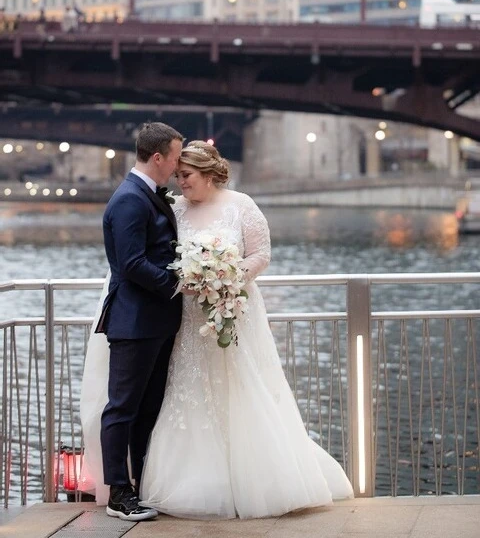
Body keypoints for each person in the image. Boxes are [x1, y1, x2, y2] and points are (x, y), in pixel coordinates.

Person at [82, 139, 353, 520]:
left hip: (230, 309)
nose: (180, 183)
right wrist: (192, 281)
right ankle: (163, 483)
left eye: (187, 175)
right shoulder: (172, 208)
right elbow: (148, 260)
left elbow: (262, 254)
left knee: (236, 389)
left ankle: (248, 479)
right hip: (183, 318)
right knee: (177, 396)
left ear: (209, 173)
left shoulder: (242, 205)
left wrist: (229, 278)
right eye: (177, 175)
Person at [81, 122, 183, 522]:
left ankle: (139, 486)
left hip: (155, 321)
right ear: (157, 157)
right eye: (175, 157)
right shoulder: (129, 199)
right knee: (122, 408)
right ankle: (118, 494)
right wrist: (178, 284)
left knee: (146, 409)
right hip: (134, 320)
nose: (177, 165)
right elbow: (130, 263)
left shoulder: (147, 194)